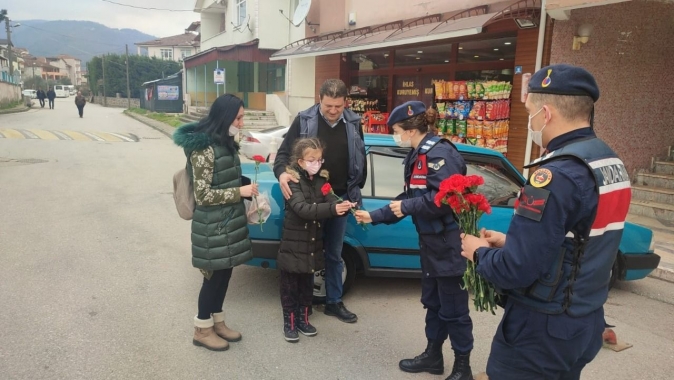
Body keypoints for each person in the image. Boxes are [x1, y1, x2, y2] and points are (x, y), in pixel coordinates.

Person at [461, 64, 632, 379]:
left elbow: (516, 269)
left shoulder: (554, 175)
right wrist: (512, 242)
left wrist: (478, 251)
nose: (530, 121)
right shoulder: (608, 160)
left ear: (546, 113)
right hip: (585, 319)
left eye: (529, 111)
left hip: (542, 330)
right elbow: (580, 239)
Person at [355, 101, 474, 380]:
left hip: (448, 245)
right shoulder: (416, 155)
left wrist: (408, 208)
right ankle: (434, 356)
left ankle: (463, 367)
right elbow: (410, 197)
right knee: (433, 303)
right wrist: (375, 216)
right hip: (430, 244)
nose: (395, 135)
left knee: (454, 309)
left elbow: (447, 199)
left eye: (396, 130)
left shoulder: (441, 153)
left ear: (409, 130)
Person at [273, 79, 366, 323]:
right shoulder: (304, 120)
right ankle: (302, 306)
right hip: (309, 198)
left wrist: (356, 188)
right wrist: (282, 173)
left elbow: (359, 157)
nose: (333, 111)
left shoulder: (354, 123)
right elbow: (283, 155)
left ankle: (334, 302)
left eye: (338, 106)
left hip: (339, 199)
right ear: (319, 99)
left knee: (334, 253)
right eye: (328, 106)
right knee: (305, 252)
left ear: (346, 102)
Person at [172, 94, 259, 352]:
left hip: (227, 222)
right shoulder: (203, 149)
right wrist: (239, 193)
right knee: (213, 279)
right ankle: (202, 329)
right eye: (238, 117)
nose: (242, 122)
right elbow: (203, 195)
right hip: (211, 226)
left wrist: (242, 184)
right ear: (224, 118)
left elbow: (223, 178)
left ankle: (217, 323)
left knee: (225, 274)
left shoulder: (225, 142)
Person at [278, 137, 355, 342]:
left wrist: (344, 206)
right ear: (301, 161)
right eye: (311, 160)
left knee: (306, 284)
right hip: (294, 243)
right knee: (290, 286)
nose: (316, 164)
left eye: (319, 160)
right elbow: (302, 209)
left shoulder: (321, 181)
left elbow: (331, 200)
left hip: (312, 243)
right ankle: (290, 322)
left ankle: (303, 319)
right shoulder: (293, 181)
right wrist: (332, 208)